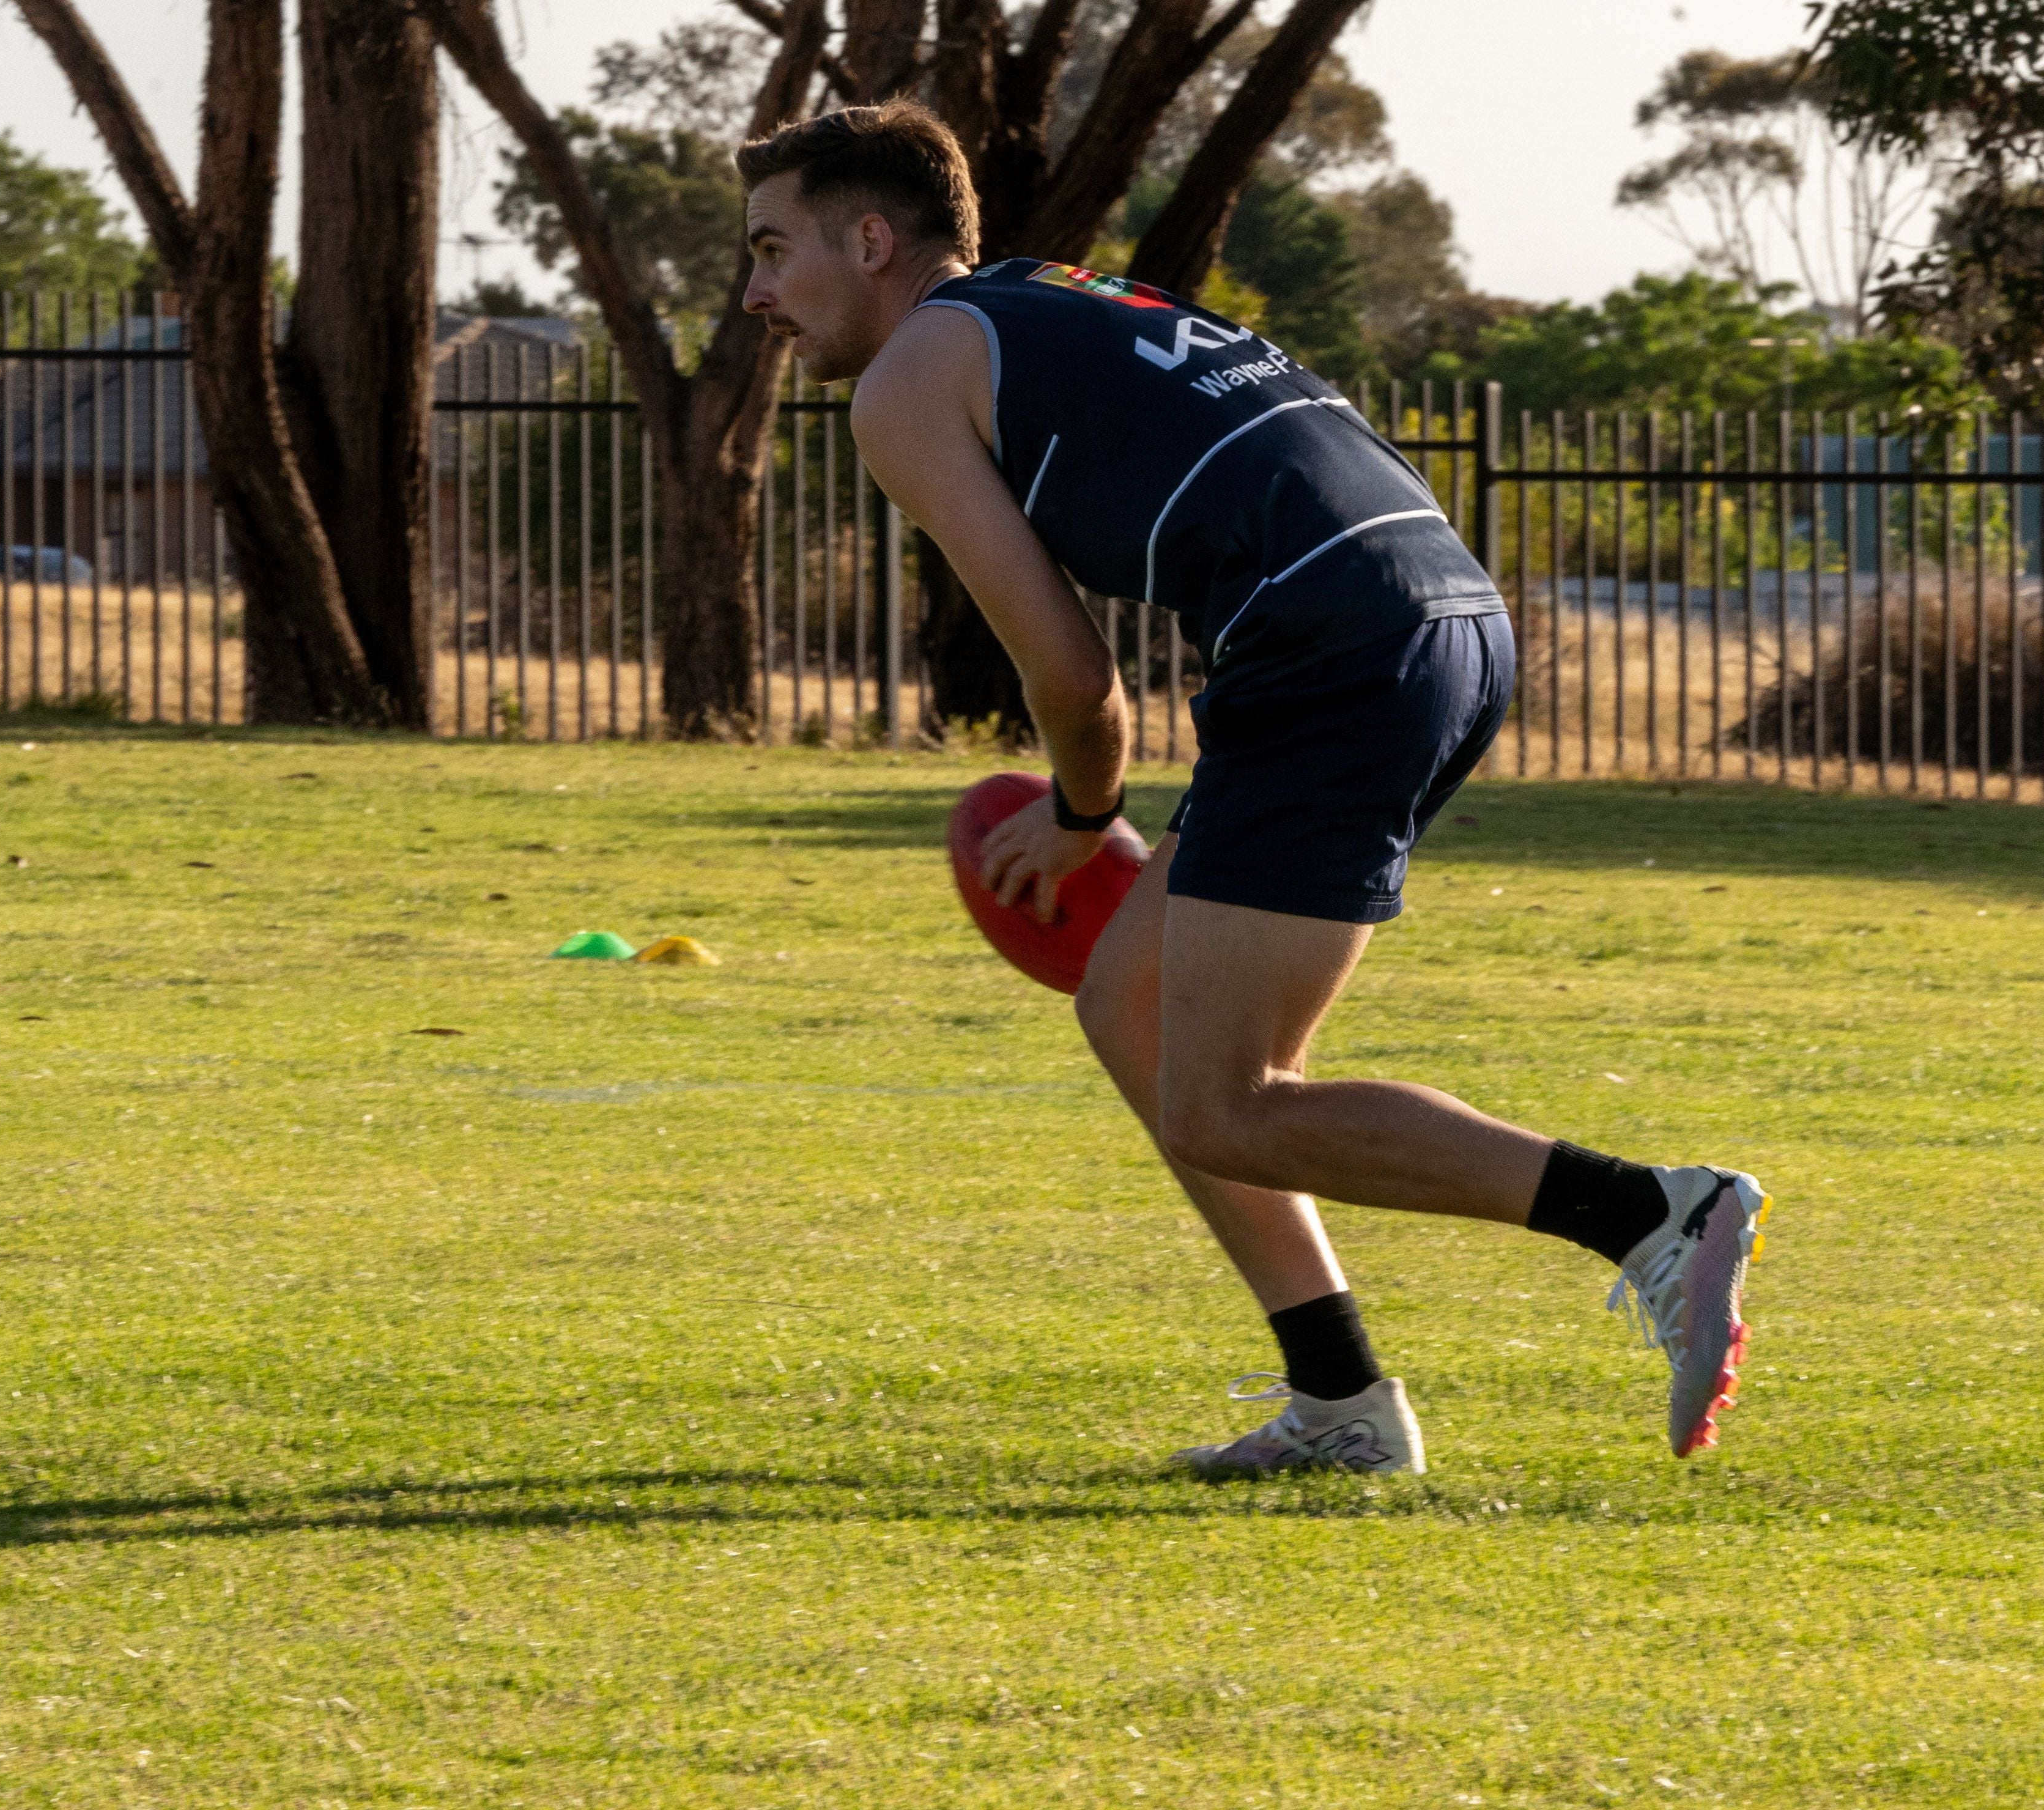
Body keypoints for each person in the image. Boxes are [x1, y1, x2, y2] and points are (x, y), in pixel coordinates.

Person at [737, 100, 1769, 1476]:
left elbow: (1073, 677)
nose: (755, 294)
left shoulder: (907, 382)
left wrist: (1083, 816)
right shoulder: (1052, 297)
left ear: (871, 241)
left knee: (1228, 1102)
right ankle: (1339, 1400)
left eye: (772, 249)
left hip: (1333, 643)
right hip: (1444, 612)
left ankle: (1652, 1213)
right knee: (1131, 1001)